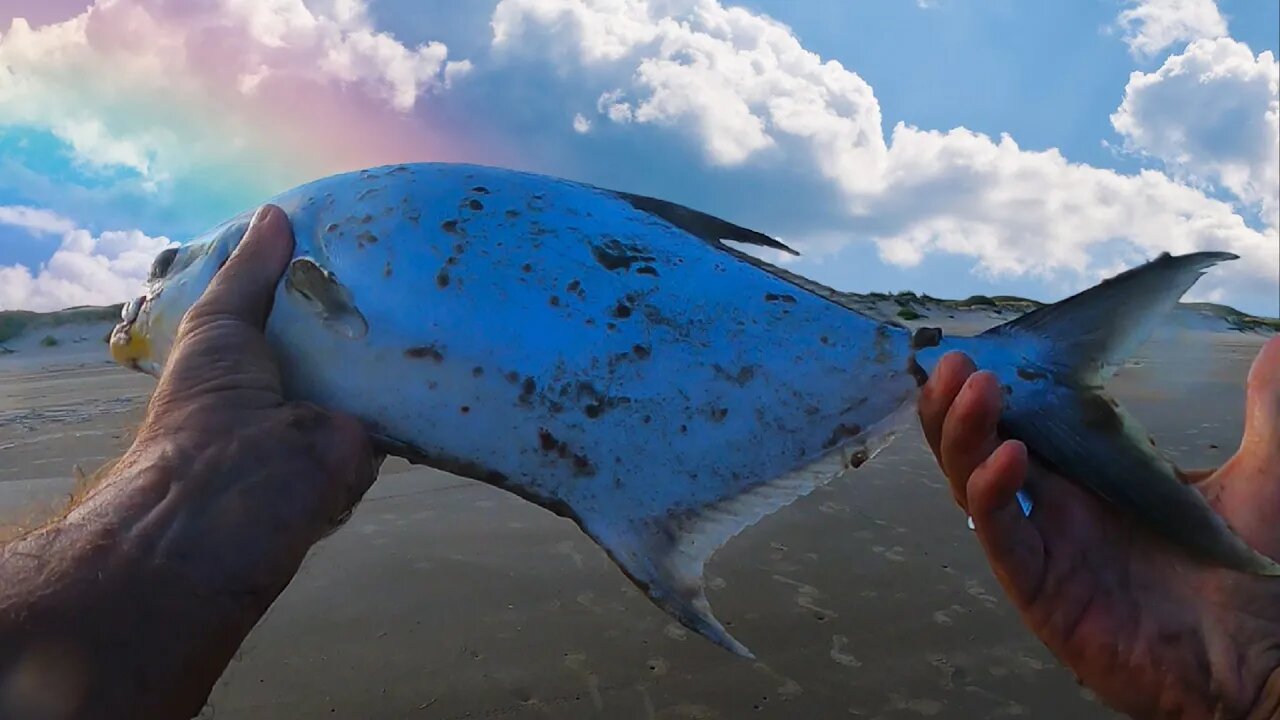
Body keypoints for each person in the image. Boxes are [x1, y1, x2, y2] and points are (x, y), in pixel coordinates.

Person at [0, 205, 1274, 719]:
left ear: (244, 257)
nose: (148, 301)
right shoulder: (321, 241)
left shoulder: (314, 228)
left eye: (170, 269)